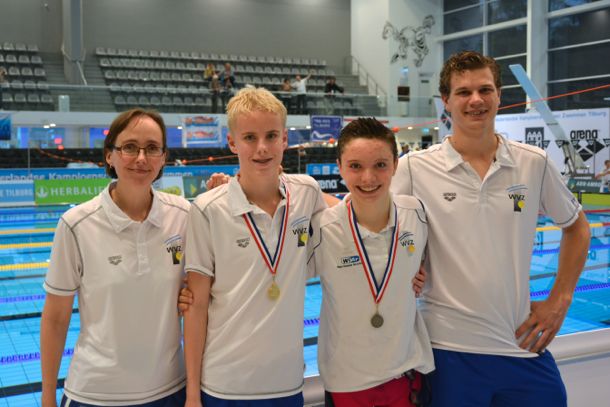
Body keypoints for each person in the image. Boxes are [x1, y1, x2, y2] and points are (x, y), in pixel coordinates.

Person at [391, 50, 591, 407]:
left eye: (485, 89)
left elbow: (577, 227)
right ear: (446, 102)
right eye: (463, 92)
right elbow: (380, 230)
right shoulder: (414, 168)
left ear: (499, 95)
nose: (476, 100)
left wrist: (560, 299)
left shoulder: (533, 163)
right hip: (449, 350)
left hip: (521, 343)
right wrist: (410, 263)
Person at [182, 87, 327, 407]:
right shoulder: (208, 209)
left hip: (286, 383)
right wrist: (192, 393)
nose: (262, 148)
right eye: (249, 138)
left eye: (271, 136)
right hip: (225, 385)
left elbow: (352, 224)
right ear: (232, 142)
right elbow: (196, 306)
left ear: (285, 139)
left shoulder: (307, 193)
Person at [40, 109, 190, 407]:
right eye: (130, 147)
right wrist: (47, 398)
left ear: (163, 158)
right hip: (95, 394)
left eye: (152, 148)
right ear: (110, 155)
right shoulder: (76, 224)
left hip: (170, 389)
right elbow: (56, 319)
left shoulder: (184, 216)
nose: (141, 158)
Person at [308, 117, 434, 407]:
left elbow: (429, 259)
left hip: (406, 376)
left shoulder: (416, 213)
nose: (368, 178)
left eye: (380, 165)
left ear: (395, 164)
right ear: (339, 167)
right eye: (355, 166)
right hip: (347, 382)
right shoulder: (323, 230)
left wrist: (421, 273)